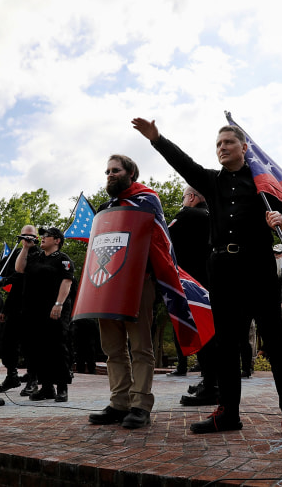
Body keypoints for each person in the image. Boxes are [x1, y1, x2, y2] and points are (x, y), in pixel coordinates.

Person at [132, 117, 282, 441]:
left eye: (228, 142)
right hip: (223, 270)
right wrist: (156, 138)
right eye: (218, 144)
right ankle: (228, 412)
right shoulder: (211, 182)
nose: (222, 148)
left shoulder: (263, 184)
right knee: (226, 345)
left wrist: (280, 218)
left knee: (276, 343)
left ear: (244, 147)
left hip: (258, 269)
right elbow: (182, 162)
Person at [87, 154, 158, 430]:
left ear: (131, 173)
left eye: (115, 170)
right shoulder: (105, 209)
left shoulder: (147, 200)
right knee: (112, 348)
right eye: (107, 171)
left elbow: (159, 241)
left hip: (140, 281)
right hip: (108, 283)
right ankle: (119, 403)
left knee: (140, 346)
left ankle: (140, 404)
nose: (110, 174)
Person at [168, 186, 219, 407]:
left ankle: (211, 388)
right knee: (213, 334)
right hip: (216, 283)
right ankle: (211, 380)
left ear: (191, 197)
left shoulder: (188, 214)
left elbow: (164, 240)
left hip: (192, 283)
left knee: (202, 335)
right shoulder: (217, 215)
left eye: (183, 198)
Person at [16, 227, 75, 403]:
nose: (42, 238)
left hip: (55, 309)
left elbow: (67, 281)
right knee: (38, 348)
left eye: (46, 236)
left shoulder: (62, 259)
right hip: (35, 310)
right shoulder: (36, 257)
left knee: (57, 347)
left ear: (57, 240)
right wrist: (25, 248)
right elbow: (19, 268)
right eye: (41, 236)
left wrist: (59, 304)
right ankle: (46, 387)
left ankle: (62, 387)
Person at [0, 225, 39, 394]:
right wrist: (5, 309)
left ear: (36, 238)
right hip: (14, 304)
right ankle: (11, 375)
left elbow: (22, 274)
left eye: (31, 236)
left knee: (30, 344)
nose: (27, 239)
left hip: (32, 305)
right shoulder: (16, 253)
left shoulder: (40, 255)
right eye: (24, 236)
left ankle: (33, 378)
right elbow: (3, 270)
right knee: (7, 343)